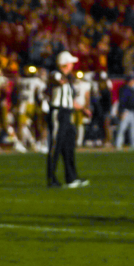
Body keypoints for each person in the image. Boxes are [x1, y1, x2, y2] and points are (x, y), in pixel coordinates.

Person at [47, 51, 88, 188]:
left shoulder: (68, 78)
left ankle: (71, 177)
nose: (72, 65)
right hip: (58, 113)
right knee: (55, 145)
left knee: (69, 145)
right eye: (70, 63)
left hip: (67, 113)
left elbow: (70, 100)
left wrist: (83, 110)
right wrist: (65, 79)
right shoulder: (56, 74)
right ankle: (51, 178)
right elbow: (55, 80)